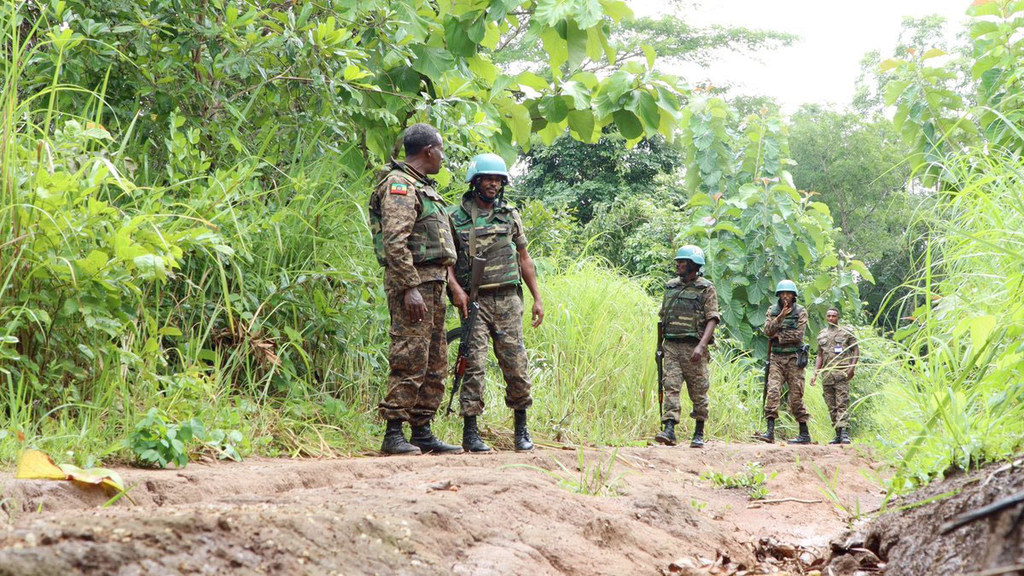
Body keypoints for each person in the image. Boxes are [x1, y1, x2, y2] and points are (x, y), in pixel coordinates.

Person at [368, 123, 463, 455]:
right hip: (415, 285)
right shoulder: (400, 185)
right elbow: (395, 242)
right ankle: (393, 432)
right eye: (441, 150)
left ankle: (421, 429)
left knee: (435, 361)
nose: (443, 157)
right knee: (409, 356)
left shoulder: (424, 188)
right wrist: (410, 288)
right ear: (429, 151)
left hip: (433, 284)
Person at [447, 153, 544, 453]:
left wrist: (537, 298)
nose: (493, 184)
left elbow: (524, 258)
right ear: (475, 181)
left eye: (498, 179)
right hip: (474, 301)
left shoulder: (510, 215)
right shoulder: (456, 217)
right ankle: (471, 433)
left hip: (508, 300)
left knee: (516, 365)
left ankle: (521, 430)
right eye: (488, 178)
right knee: (473, 365)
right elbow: (446, 263)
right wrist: (457, 291)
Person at [654, 245, 721, 448]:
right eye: (678, 261)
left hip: (694, 347)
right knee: (671, 386)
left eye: (682, 262)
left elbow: (713, 319)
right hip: (672, 345)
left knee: (698, 391)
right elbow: (663, 318)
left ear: (693, 265)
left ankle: (699, 431)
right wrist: (660, 346)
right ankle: (669, 429)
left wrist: (701, 346)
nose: (678, 265)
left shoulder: (706, 288)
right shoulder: (671, 287)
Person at [757, 279, 812, 444]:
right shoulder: (772, 311)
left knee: (796, 397)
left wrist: (779, 336)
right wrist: (780, 318)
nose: (785, 297)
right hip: (776, 358)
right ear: (778, 296)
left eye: (788, 294)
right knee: (772, 392)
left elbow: (798, 335)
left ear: (794, 296)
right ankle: (770, 432)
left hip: (794, 359)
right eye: (782, 294)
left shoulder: (800, 311)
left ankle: (804, 433)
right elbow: (767, 331)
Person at [810, 307, 859, 444]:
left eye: (834, 316)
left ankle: (844, 433)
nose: (831, 318)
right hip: (827, 376)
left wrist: (852, 367)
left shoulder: (846, 333)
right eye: (829, 316)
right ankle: (837, 433)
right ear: (826, 318)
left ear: (838, 318)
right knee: (831, 405)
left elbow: (855, 350)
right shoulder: (822, 335)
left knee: (841, 403)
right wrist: (816, 373)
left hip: (841, 373)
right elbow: (820, 355)